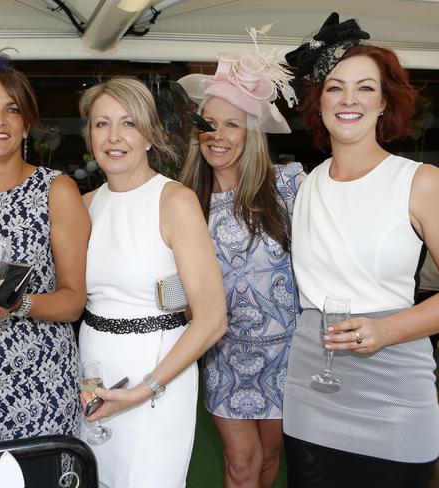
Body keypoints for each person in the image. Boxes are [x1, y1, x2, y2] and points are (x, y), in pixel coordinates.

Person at [282, 12, 439, 487]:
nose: (349, 99)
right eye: (335, 87)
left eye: (365, 88)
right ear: (319, 101)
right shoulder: (307, 186)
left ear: (384, 103)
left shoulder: (420, 183)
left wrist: (386, 330)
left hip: (395, 393)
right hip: (311, 387)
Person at [77, 77, 228, 488]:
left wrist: (147, 387)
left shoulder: (175, 200)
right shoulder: (85, 205)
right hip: (93, 370)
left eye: (128, 123)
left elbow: (212, 319)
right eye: (101, 123)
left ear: (149, 135)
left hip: (159, 374)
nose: (113, 137)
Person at [178, 28, 304, 488]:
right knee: (240, 465)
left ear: (251, 132)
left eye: (232, 124)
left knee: (270, 462)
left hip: (286, 355)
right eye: (209, 123)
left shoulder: (288, 187)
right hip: (224, 355)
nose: (217, 135)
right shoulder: (184, 198)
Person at [0, 49, 90, 445]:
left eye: (12, 110)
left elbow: (73, 300)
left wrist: (18, 304)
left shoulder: (55, 189)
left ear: (26, 126)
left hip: (40, 381)